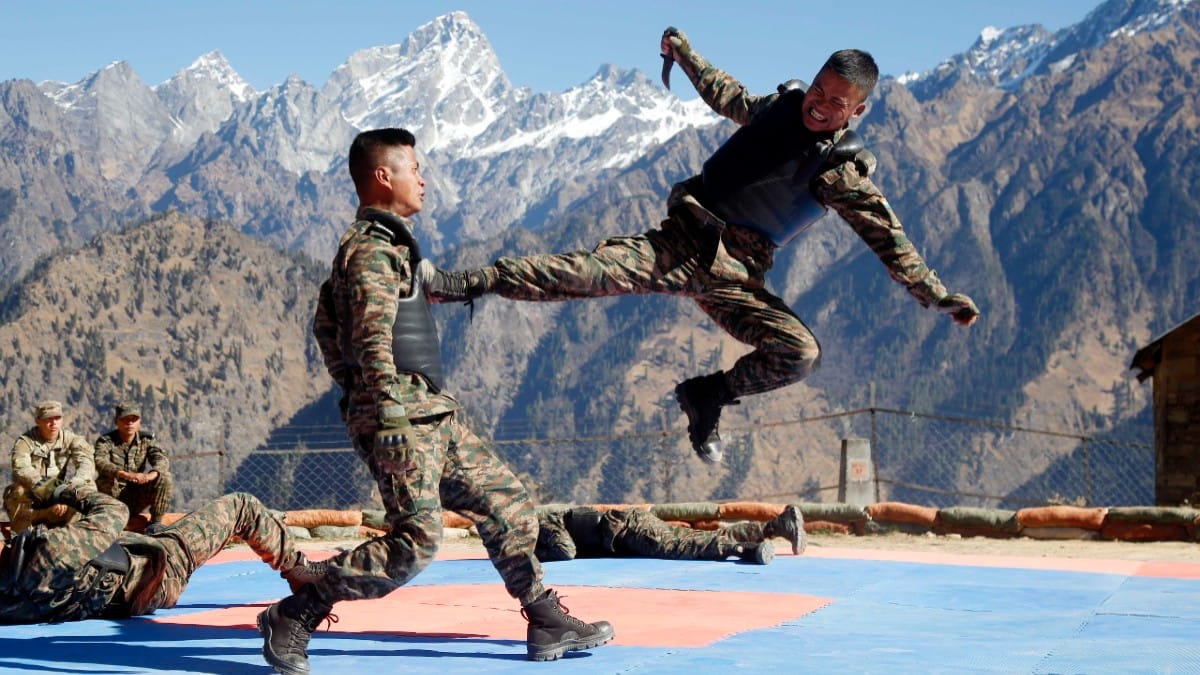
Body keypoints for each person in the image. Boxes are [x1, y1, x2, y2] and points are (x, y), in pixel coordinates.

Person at [433, 28, 981, 465]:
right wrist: (686, 53)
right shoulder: (779, 110)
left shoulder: (843, 173)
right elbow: (728, 95)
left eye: (835, 102)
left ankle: (708, 396)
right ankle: (467, 283)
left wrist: (935, 296)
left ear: (856, 111)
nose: (819, 105)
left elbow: (889, 239)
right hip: (682, 244)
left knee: (801, 353)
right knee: (580, 273)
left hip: (737, 279)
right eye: (818, 90)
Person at [261, 128, 613, 675]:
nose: (423, 179)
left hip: (433, 415)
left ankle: (544, 616)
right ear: (384, 176)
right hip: (399, 417)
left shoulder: (397, 248)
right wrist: (390, 412)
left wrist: (498, 278)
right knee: (417, 541)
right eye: (414, 168)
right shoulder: (370, 252)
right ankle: (298, 611)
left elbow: (438, 287)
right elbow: (370, 340)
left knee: (507, 503)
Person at [0, 479, 322, 625]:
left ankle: (274, 529)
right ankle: (302, 575)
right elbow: (113, 511)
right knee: (241, 506)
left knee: (187, 529)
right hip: (160, 568)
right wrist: (62, 489)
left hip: (129, 594)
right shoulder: (50, 552)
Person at [535, 504, 806, 564]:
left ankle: (743, 550)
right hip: (624, 528)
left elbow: (565, 550)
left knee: (682, 547)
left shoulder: (538, 523)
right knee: (689, 540)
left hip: (623, 530)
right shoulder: (539, 521)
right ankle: (778, 526)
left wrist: (534, 556)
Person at [4, 400, 97, 536]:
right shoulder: (25, 442)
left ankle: (74, 538)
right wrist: (54, 492)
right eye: (48, 419)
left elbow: (86, 464)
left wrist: (70, 490)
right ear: (38, 421)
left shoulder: (72, 440)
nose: (53, 423)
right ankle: (21, 540)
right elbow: (22, 469)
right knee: (17, 491)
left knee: (88, 488)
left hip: (61, 493)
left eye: (57, 418)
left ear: (62, 420)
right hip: (33, 494)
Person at [94, 402, 173, 534]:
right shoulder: (106, 442)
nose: (129, 423)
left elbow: (160, 458)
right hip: (112, 496)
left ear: (139, 421)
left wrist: (151, 475)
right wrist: (124, 474)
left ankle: (155, 523)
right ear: (116, 421)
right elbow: (100, 462)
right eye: (125, 419)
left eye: (133, 419)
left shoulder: (146, 440)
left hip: (136, 495)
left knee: (164, 477)